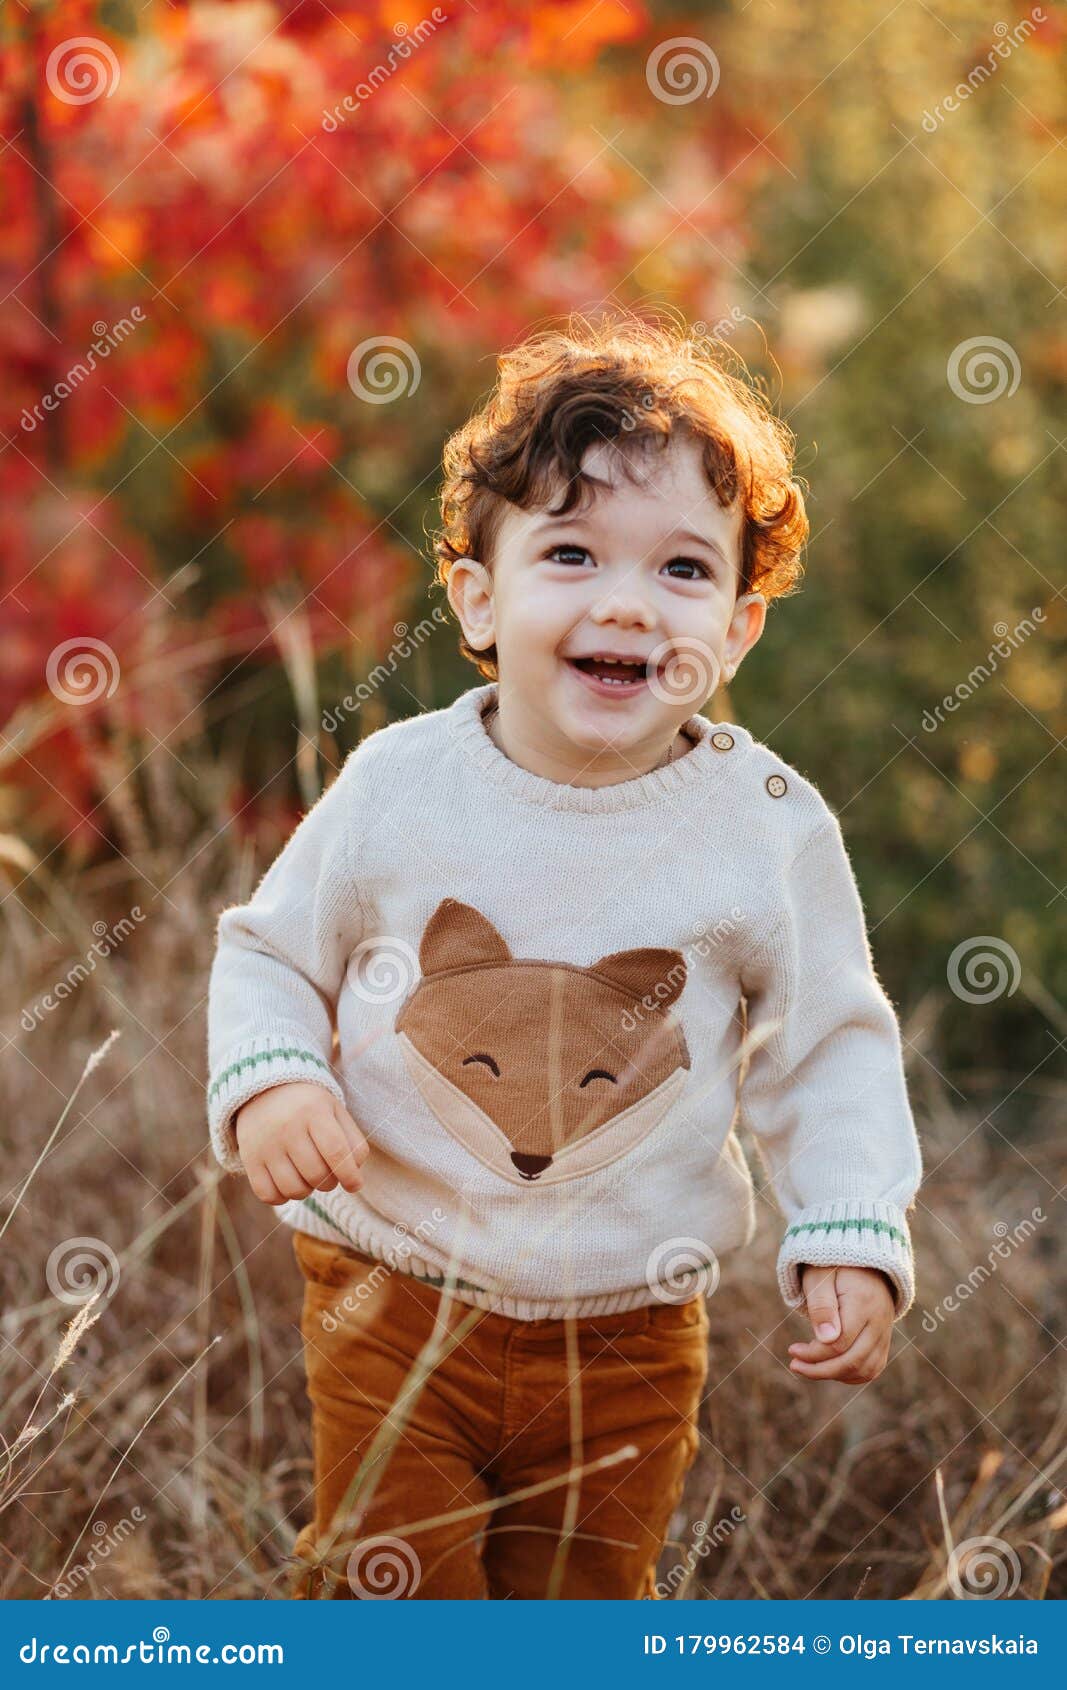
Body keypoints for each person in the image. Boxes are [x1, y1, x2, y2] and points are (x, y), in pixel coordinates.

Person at [206, 311, 923, 1600]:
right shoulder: (404, 784)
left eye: (684, 571)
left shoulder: (761, 824)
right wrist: (274, 1080)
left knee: (583, 1612)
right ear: (481, 597)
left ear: (742, 627)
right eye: (573, 551)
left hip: (635, 1332)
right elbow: (267, 953)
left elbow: (832, 1043)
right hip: (396, 1287)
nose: (627, 603)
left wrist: (849, 1229)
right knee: (395, 1592)